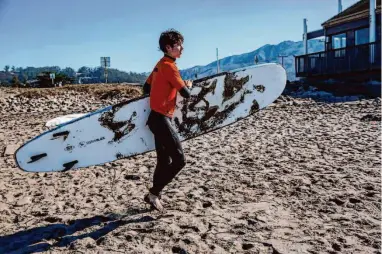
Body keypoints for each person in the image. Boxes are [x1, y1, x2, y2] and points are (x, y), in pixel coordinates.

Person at [143, 29, 193, 212]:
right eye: (179, 45)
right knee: (180, 160)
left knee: (163, 162)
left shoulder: (160, 64)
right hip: (161, 119)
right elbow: (186, 94)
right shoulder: (170, 66)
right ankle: (153, 193)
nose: (182, 48)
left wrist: (160, 94)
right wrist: (187, 85)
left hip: (156, 119)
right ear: (168, 47)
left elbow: (145, 87)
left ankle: (155, 197)